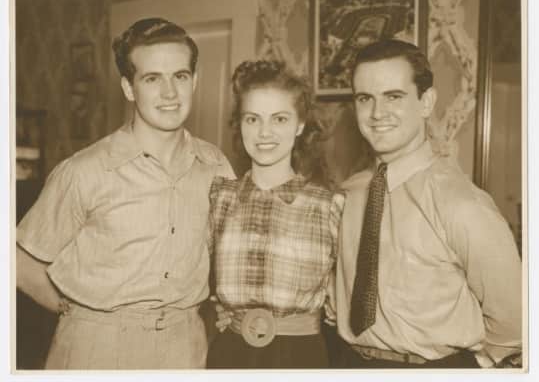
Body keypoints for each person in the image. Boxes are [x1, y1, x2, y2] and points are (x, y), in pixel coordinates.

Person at [16, 17, 234, 369]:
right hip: (96, 347)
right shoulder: (84, 171)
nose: (170, 93)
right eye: (152, 79)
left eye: (180, 76)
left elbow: (230, 253)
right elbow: (19, 261)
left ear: (194, 80)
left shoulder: (216, 165)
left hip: (186, 347)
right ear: (129, 88)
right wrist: (72, 310)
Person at [333, 39, 522, 368]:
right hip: (348, 364)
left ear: (426, 102)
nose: (377, 113)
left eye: (394, 96)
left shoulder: (463, 205)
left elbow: (515, 322)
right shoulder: (348, 195)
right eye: (365, 98)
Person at [205, 60, 345, 368]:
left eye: (279, 119)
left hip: (299, 355)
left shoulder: (329, 205)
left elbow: (345, 299)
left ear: (300, 124)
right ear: (239, 124)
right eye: (252, 119)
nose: (264, 132)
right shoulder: (219, 198)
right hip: (229, 352)